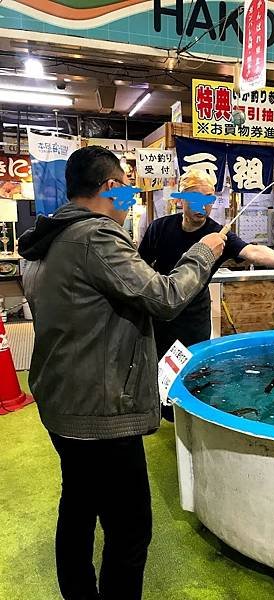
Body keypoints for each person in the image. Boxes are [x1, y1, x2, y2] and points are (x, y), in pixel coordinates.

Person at [18, 146, 226, 600]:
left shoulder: (43, 240)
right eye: (127, 187)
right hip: (101, 409)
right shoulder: (95, 237)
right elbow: (167, 297)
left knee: (77, 508)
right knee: (129, 530)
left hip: (62, 402)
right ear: (110, 186)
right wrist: (203, 253)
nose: (131, 196)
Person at [139, 168, 274, 358]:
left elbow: (251, 251)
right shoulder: (159, 228)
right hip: (162, 315)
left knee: (193, 370)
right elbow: (140, 267)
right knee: (159, 368)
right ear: (179, 199)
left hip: (195, 319)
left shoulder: (218, 235)